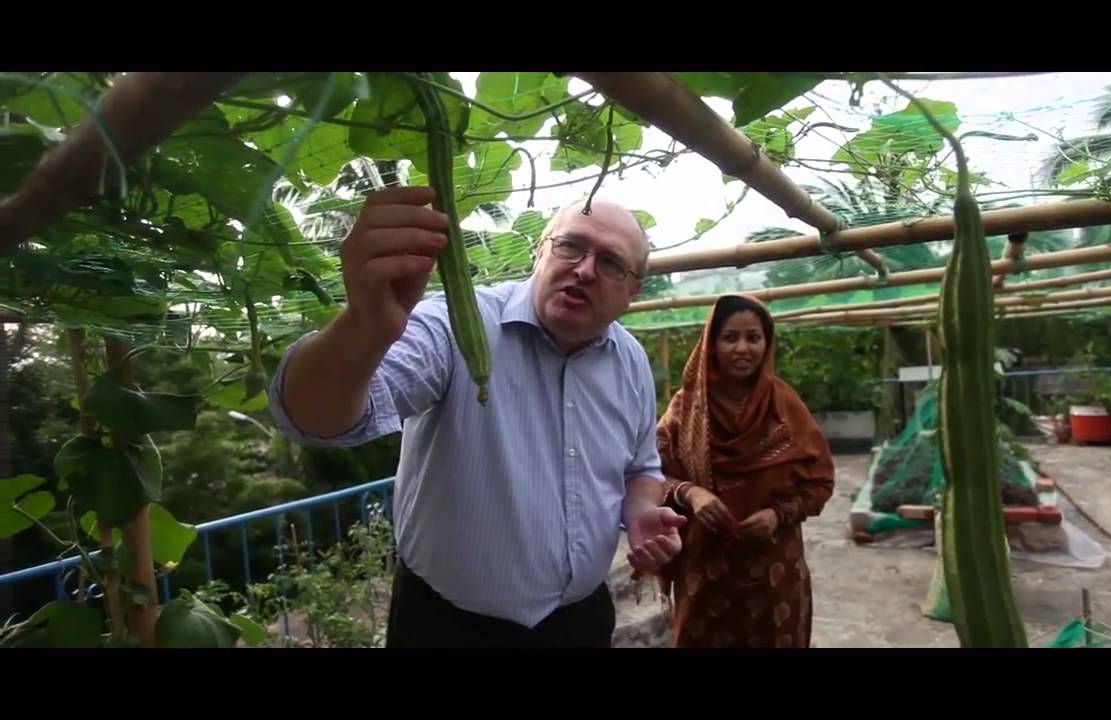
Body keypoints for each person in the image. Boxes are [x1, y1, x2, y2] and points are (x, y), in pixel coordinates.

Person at [267, 185, 685, 648]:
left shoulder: (630, 361)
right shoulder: (453, 323)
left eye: (610, 262)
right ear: (539, 253)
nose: (584, 269)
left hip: (579, 621)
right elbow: (317, 418)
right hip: (447, 628)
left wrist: (641, 511)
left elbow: (640, 467)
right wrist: (363, 325)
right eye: (570, 245)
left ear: (632, 289)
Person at [655, 294, 834, 648]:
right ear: (712, 343)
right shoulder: (685, 409)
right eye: (730, 337)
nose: (742, 348)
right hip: (704, 572)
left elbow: (820, 482)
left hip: (774, 571)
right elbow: (650, 476)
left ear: (767, 344)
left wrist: (777, 515)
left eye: (753, 338)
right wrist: (691, 493)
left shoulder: (785, 407)